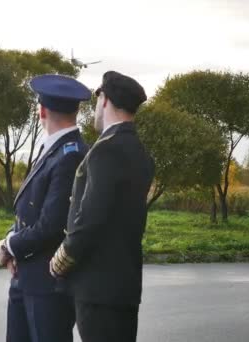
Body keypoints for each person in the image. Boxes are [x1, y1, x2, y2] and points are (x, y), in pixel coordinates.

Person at [50, 71, 155, 342]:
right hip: (124, 285)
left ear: (104, 99)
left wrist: (62, 258)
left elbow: (90, 218)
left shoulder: (106, 149)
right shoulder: (139, 152)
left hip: (98, 287)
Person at [0, 74, 91, 342]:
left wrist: (8, 246)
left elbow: (52, 224)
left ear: (42, 111)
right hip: (27, 276)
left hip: (48, 285)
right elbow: (29, 212)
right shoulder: (53, 150)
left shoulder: (71, 155)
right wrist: (13, 245)